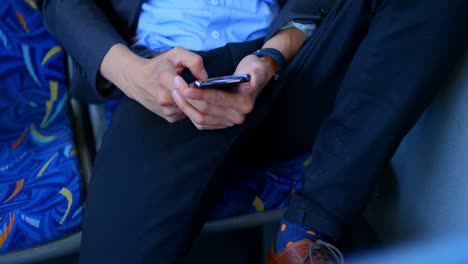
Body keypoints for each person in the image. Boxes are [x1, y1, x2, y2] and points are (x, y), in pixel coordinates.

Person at [37, 0, 468, 263]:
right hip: (168, 79)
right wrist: (137, 77)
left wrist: (270, 57)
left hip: (286, 59)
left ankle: (305, 237)